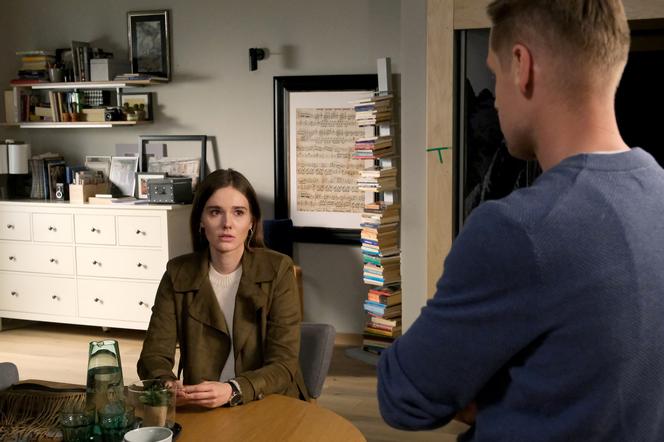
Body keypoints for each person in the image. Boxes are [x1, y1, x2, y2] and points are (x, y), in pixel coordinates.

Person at [377, 1, 664, 440]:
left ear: (521, 65)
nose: (494, 101)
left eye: (494, 74)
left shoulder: (518, 229)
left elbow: (403, 395)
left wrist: (494, 386)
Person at [138, 168, 309, 407]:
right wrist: (166, 383)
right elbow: (153, 356)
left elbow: (284, 364)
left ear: (252, 221)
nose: (227, 223)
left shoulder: (279, 269)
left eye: (238, 212)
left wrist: (233, 390)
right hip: (200, 404)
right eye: (215, 212)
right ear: (200, 220)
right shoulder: (177, 273)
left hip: (270, 400)